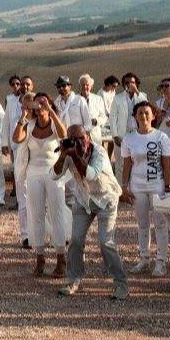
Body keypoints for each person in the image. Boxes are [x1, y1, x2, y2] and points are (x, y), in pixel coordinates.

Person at [54, 124, 128, 299]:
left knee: (105, 242)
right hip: (84, 200)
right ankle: (74, 280)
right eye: (73, 138)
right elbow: (54, 174)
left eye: (80, 137)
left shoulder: (99, 152)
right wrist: (64, 155)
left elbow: (91, 174)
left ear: (88, 136)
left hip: (105, 200)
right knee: (76, 241)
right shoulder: (69, 152)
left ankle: (120, 284)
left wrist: (73, 155)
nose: (77, 142)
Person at [12, 93, 69, 277]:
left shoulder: (54, 124)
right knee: (35, 214)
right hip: (33, 173)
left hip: (54, 173)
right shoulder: (29, 126)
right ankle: (40, 257)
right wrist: (23, 115)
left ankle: (61, 258)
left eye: (44, 102)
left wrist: (50, 111)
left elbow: (64, 134)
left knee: (57, 213)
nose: (41, 105)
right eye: (39, 102)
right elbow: (16, 138)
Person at [120, 102, 170, 276]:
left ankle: (161, 261)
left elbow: (166, 165)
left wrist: (167, 186)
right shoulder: (129, 138)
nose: (143, 116)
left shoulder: (161, 137)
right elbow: (127, 165)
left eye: (147, 113)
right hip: (137, 185)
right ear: (135, 116)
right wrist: (124, 186)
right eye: (140, 113)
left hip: (157, 185)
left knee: (160, 223)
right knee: (142, 224)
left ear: (153, 116)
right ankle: (144, 258)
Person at [4, 77, 36, 242]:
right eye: (25, 104)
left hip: (38, 164)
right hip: (21, 158)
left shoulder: (42, 120)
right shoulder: (13, 106)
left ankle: (41, 232)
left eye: (31, 105)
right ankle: (25, 235)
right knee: (23, 199)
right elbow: (10, 129)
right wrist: (5, 142)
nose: (28, 107)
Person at [109, 72, 148, 176]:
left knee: (137, 161)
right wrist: (115, 135)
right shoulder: (118, 98)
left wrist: (136, 91)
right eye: (127, 82)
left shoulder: (141, 96)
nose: (129, 84)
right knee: (120, 164)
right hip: (122, 135)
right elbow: (112, 117)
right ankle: (121, 190)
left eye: (132, 82)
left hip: (138, 134)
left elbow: (146, 106)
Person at [79, 74, 109, 147]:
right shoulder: (75, 100)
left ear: (91, 86)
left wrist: (96, 121)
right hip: (80, 137)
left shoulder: (98, 99)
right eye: (82, 85)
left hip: (95, 136)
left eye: (87, 85)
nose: (85, 87)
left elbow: (104, 117)